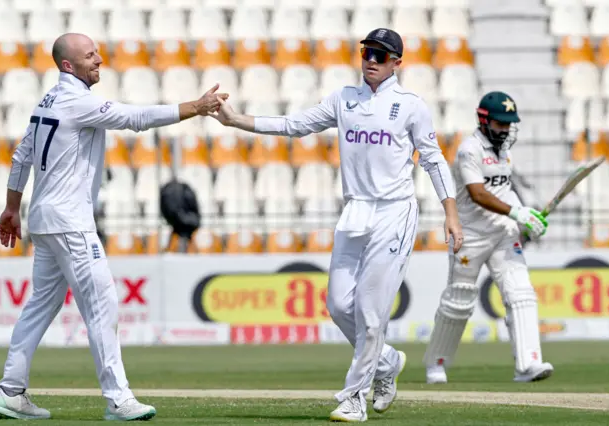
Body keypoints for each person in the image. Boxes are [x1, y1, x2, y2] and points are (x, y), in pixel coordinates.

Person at [208, 28, 463, 423]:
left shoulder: (411, 105)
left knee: (370, 311)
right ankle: (387, 362)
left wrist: (450, 212)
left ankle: (354, 398)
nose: (371, 61)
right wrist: (236, 120)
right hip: (356, 210)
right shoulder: (344, 99)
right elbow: (294, 124)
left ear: (397, 62)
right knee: (339, 304)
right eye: (367, 53)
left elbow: (433, 159)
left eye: (380, 55)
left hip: (394, 212)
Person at [0, 33, 227, 421]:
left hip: (46, 220)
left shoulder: (47, 99)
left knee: (40, 306)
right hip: (70, 222)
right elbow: (135, 119)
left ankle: (11, 390)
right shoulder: (79, 101)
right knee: (102, 305)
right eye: (90, 55)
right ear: (68, 65)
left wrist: (11, 209)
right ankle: (118, 398)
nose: (99, 59)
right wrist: (196, 107)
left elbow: (21, 157)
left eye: (97, 52)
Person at [422, 91, 554, 385]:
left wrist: (525, 218)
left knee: (521, 293)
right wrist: (517, 213)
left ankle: (528, 364)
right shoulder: (469, 149)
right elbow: (478, 193)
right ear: (484, 121)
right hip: (470, 235)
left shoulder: (505, 147)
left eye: (509, 124)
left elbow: (502, 189)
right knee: (460, 301)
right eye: (500, 123)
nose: (506, 129)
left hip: (503, 233)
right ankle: (436, 363)